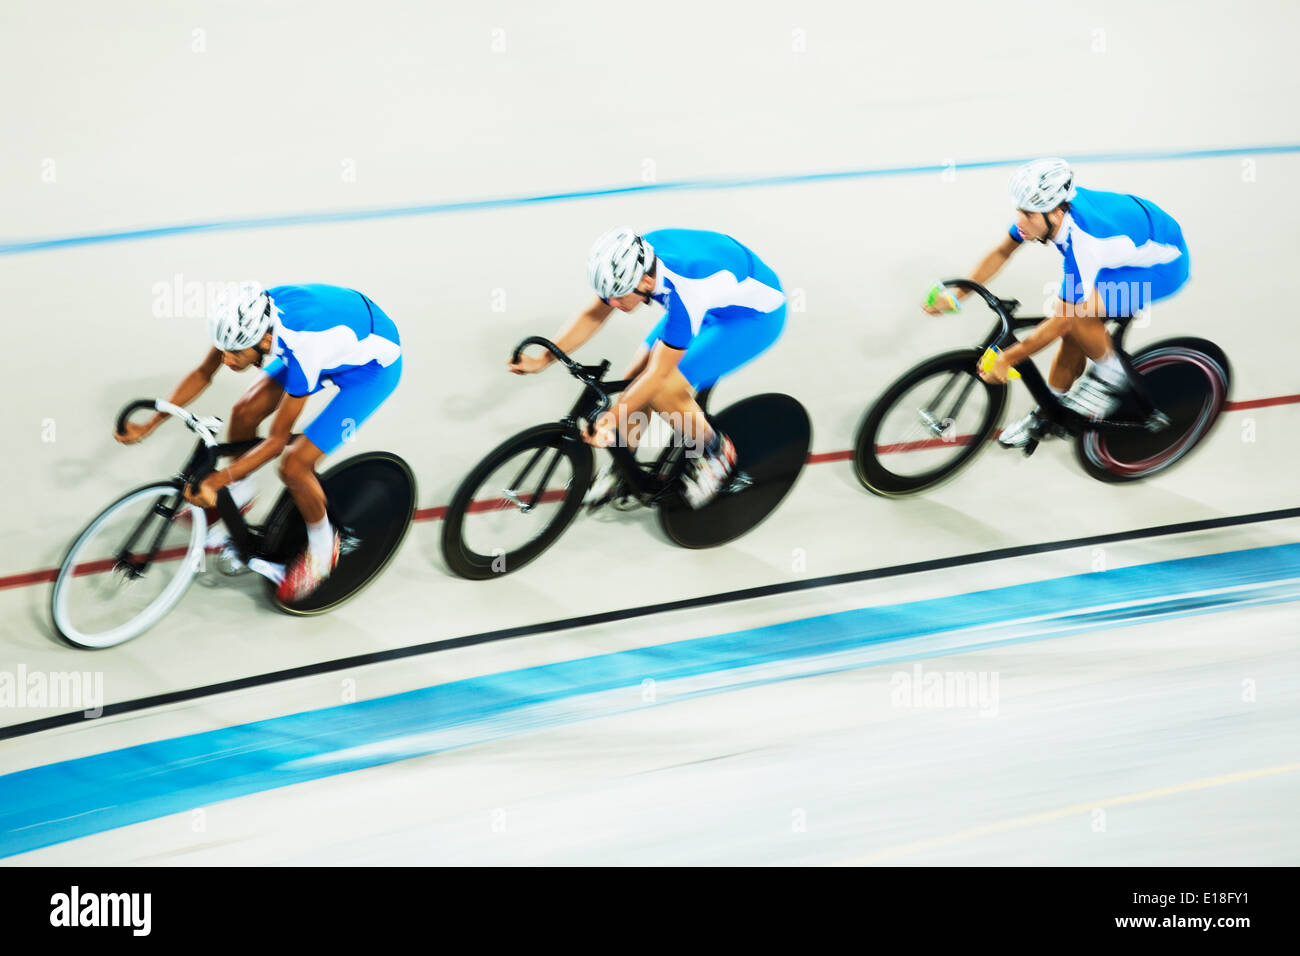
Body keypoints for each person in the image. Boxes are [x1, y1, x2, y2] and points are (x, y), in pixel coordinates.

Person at [115, 282, 402, 600]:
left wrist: (217, 480)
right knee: (244, 412)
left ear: (264, 339)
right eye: (223, 349)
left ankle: (323, 548)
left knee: (295, 466)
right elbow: (202, 373)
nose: (227, 359)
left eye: (236, 352)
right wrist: (149, 424)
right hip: (334, 338)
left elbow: (276, 442)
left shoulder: (304, 347)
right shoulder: (246, 316)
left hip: (370, 370)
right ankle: (242, 493)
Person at [510, 227, 787, 508]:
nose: (613, 304)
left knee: (661, 390)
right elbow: (593, 315)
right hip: (711, 301)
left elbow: (658, 376)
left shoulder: (686, 290)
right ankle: (624, 468)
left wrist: (610, 420)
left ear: (644, 281)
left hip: (753, 319)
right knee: (634, 380)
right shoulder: (632, 261)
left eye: (618, 296)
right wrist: (543, 360)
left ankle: (717, 451)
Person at [925, 157, 1189, 446]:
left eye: (1028, 214)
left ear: (1056, 213)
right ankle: (1049, 412)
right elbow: (1002, 252)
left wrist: (1009, 358)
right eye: (1019, 211)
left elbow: (1063, 320)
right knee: (1072, 338)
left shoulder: (1084, 244)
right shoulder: (1045, 214)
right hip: (1125, 250)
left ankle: (1111, 376)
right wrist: (958, 295)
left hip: (1162, 267)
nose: (1019, 222)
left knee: (1076, 317)